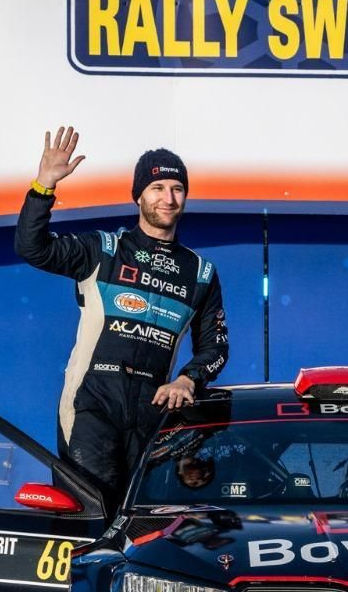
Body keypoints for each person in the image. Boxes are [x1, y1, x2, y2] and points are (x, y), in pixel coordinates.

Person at [15, 126, 228, 502]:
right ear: (139, 196)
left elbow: (216, 348)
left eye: (177, 189)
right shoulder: (103, 249)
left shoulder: (200, 272)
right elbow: (33, 248)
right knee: (91, 513)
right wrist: (44, 187)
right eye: (158, 188)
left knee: (142, 521)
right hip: (93, 399)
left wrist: (187, 380)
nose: (168, 197)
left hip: (154, 406)